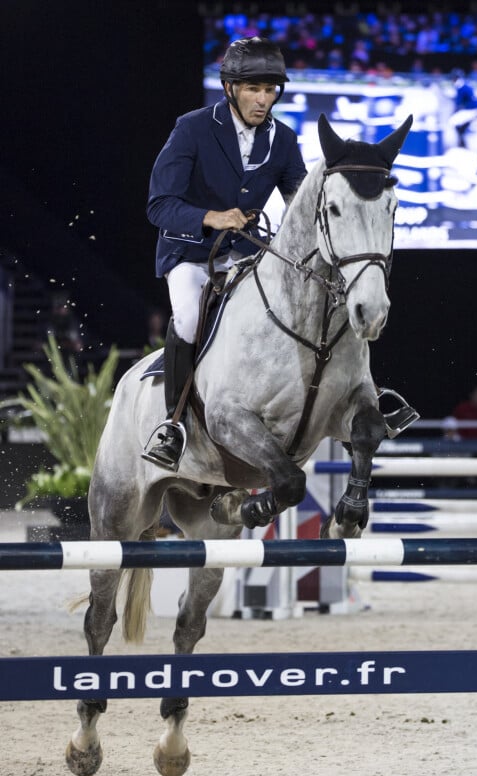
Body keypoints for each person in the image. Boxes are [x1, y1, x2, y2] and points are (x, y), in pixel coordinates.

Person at [142, 37, 307, 470]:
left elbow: (300, 204)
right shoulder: (193, 128)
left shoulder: (284, 140)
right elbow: (159, 206)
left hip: (248, 254)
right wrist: (212, 217)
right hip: (191, 254)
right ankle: (172, 425)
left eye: (271, 90)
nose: (264, 99)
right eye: (255, 89)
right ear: (231, 87)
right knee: (191, 318)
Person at [449, 68, 477, 148]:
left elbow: (458, 103)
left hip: (473, 110)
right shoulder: (466, 83)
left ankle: (462, 143)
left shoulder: (459, 85)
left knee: (455, 123)